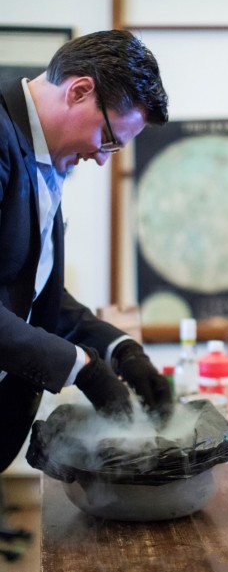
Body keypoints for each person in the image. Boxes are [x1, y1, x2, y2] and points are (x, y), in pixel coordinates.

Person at [0, 30, 172, 473]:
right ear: (79, 91)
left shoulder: (45, 160)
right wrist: (81, 367)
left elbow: (31, 294)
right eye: (109, 138)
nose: (101, 157)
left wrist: (118, 349)